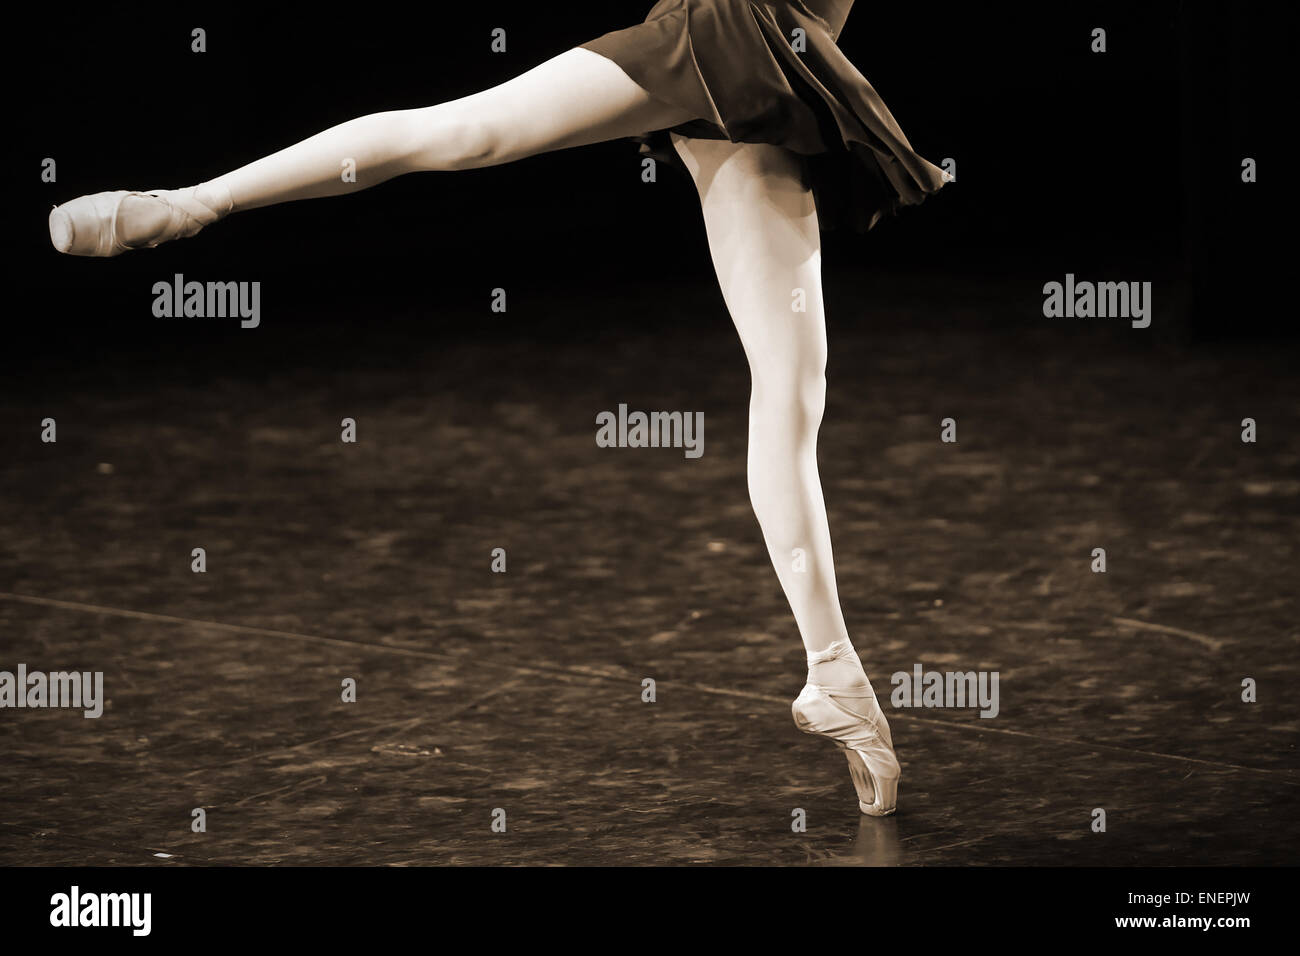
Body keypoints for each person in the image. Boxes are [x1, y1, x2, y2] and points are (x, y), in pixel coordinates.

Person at [48, 0, 946, 816]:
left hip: (778, 73)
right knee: (470, 132)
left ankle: (835, 673)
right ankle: (190, 204)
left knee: (793, 387)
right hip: (721, 31)